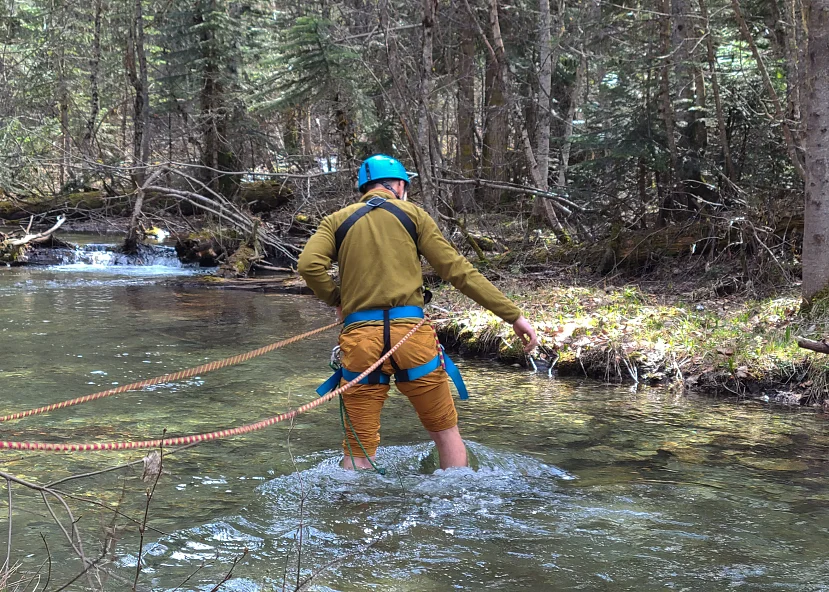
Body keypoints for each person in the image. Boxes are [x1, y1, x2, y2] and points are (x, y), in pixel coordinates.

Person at [298, 154, 538, 470]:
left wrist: (337, 299)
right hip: (411, 337)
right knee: (445, 432)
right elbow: (458, 271)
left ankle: (354, 518)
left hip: (360, 341)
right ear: (399, 185)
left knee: (359, 449)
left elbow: (308, 266)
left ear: (364, 187)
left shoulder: (337, 220)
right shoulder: (414, 215)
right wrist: (513, 316)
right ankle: (455, 505)